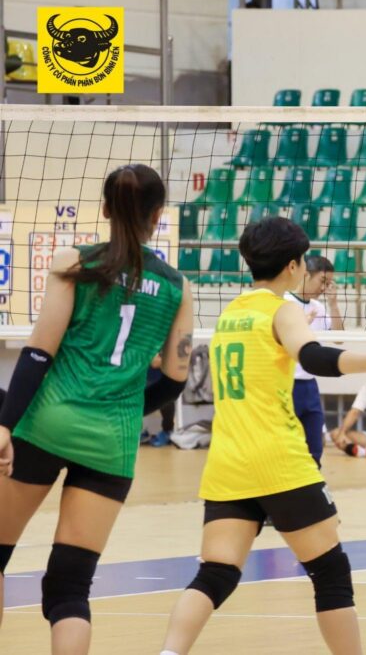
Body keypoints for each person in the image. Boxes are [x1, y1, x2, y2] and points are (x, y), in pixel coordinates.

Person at [160, 217, 366, 655]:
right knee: (330, 572)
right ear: (295, 265)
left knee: (215, 573)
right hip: (279, 462)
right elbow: (311, 356)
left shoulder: (229, 314)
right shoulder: (283, 309)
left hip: (228, 465)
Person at [0, 164, 193, 649]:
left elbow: (39, 352)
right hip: (112, 442)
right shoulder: (177, 286)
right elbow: (175, 378)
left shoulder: (75, 263)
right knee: (69, 589)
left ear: (105, 209)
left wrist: (4, 425)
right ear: (158, 215)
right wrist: (125, 410)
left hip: (47, 423)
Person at [286, 254, 344, 467]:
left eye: (328, 284)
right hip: (286, 384)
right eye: (322, 281)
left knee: (315, 448)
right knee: (288, 446)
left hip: (309, 385)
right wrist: (301, 324)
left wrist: (333, 304)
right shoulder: (284, 302)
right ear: (306, 275)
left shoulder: (319, 307)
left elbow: (339, 337)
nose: (324, 288)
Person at [144, 354, 178, 447]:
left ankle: (167, 431)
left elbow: (155, 362)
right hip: (146, 374)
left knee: (167, 398)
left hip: (163, 376)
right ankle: (143, 431)